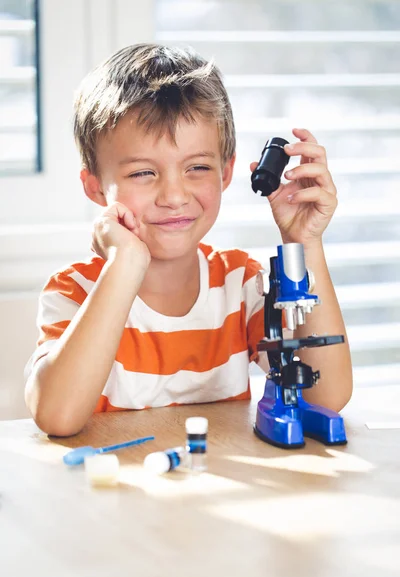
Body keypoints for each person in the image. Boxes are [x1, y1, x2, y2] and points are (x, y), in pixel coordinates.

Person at [24, 44, 352, 437]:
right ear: (95, 187)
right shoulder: (75, 292)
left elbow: (324, 397)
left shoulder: (239, 284)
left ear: (226, 172)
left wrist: (304, 243)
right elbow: (58, 417)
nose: (175, 195)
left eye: (197, 167)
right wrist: (125, 263)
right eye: (143, 173)